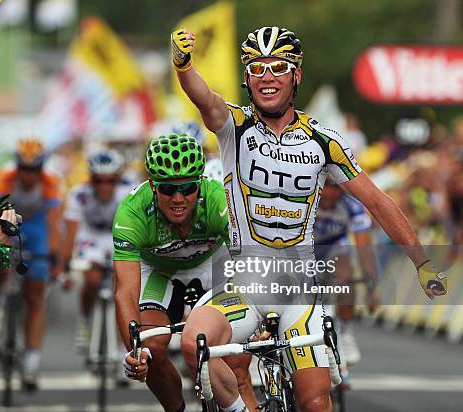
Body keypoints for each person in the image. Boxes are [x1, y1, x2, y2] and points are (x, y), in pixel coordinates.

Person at [172, 26, 448, 412]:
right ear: (247, 78)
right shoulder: (234, 125)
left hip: (298, 286)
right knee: (193, 342)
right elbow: (204, 98)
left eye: (279, 67)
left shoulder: (324, 141)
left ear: (296, 75)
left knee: (315, 401)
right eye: (257, 68)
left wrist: (422, 263)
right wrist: (183, 65)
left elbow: (379, 202)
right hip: (244, 280)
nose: (267, 77)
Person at [114, 134, 258, 412]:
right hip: (158, 271)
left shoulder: (220, 200)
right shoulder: (131, 214)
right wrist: (134, 352)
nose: (178, 198)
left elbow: (249, 265)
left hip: (213, 267)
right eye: (168, 189)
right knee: (151, 348)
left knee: (235, 362)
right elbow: (126, 292)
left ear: (200, 183)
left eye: (188, 188)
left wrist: (263, 318)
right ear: (153, 185)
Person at [0, 137, 62, 391]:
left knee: (35, 294)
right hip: (9, 221)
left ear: (42, 169)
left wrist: (53, 257)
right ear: (18, 167)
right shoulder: (5, 179)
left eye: (34, 170)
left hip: (37, 227)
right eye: (25, 169)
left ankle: (31, 360)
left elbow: (54, 224)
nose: (29, 175)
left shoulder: (50, 183)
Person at [60, 148, 132, 350]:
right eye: (98, 181)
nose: (104, 186)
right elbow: (71, 231)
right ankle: (85, 322)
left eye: (110, 181)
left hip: (117, 234)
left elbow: (138, 229)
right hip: (90, 235)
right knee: (91, 278)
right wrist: (65, 267)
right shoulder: (79, 194)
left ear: (117, 179)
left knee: (123, 286)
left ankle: (120, 346)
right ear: (91, 179)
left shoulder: (128, 193)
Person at [314, 182, 380, 367]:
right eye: (328, 187)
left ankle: (345, 330)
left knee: (345, 275)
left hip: (334, 247)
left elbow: (364, 250)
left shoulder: (353, 206)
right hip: (304, 248)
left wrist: (371, 288)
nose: (331, 193)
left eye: (337, 188)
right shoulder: (307, 197)